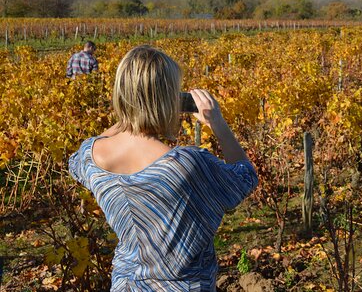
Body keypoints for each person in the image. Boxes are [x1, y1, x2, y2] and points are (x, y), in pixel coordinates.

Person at [68, 45, 257, 291]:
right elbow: (245, 177)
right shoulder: (186, 164)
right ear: (168, 99)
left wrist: (129, 114)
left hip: (125, 284)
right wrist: (217, 123)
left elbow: (76, 160)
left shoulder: (92, 157)